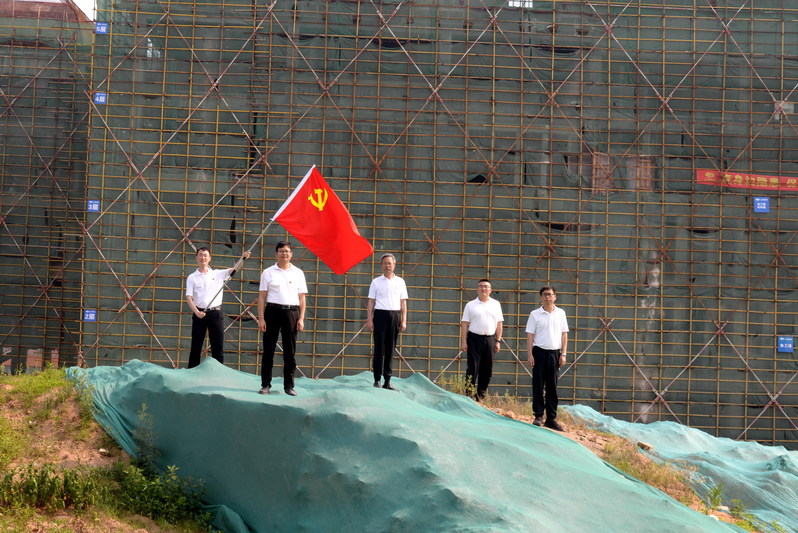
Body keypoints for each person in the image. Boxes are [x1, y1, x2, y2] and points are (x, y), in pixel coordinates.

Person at [185, 247, 250, 368]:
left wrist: (242, 258)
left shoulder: (217, 274)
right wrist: (196, 312)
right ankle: (191, 371)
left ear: (209, 258)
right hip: (199, 314)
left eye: (205, 255)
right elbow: (189, 297)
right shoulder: (192, 277)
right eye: (200, 255)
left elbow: (233, 270)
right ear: (196, 257)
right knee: (196, 346)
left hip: (215, 314)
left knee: (217, 346)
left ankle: (219, 372)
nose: (203, 257)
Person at [257, 241, 308, 396]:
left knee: (289, 352)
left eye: (287, 251)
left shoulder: (298, 273)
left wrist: (301, 318)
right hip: (272, 312)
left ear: (291, 254)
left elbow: (302, 298)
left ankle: (289, 386)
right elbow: (262, 296)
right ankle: (265, 385)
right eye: (281, 251)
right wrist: (261, 318)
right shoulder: (268, 272)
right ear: (276, 253)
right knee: (268, 350)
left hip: (291, 313)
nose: (284, 254)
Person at [526, 285, 569, 431]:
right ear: (541, 297)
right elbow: (530, 335)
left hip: (554, 353)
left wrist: (563, 353)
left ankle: (551, 418)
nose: (547, 297)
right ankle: (538, 416)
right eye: (544, 294)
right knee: (538, 385)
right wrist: (530, 354)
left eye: (550, 294)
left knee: (552, 386)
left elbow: (564, 334)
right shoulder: (534, 314)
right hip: (539, 352)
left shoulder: (561, 313)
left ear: (555, 297)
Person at [366, 253, 408, 390]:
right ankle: (377, 379)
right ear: (381, 265)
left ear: (394, 265)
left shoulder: (400, 282)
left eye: (390, 263)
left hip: (395, 315)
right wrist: (370, 320)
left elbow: (403, 303)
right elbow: (371, 302)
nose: (387, 266)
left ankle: (387, 380)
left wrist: (403, 320)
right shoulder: (376, 282)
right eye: (385, 263)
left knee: (391, 348)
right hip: (380, 315)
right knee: (379, 348)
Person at [460, 279, 504, 400]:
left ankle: (481, 395)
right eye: (481, 286)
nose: (483, 288)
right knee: (472, 367)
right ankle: (469, 394)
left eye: (486, 286)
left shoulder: (496, 304)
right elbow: (464, 324)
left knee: (487, 368)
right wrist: (464, 342)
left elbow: (499, 324)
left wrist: (498, 341)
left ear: (490, 290)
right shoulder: (470, 305)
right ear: (477, 289)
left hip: (490, 339)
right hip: (474, 338)